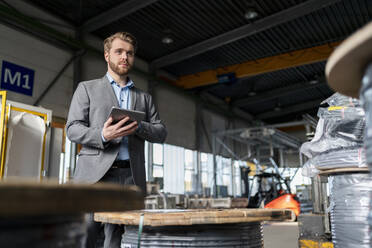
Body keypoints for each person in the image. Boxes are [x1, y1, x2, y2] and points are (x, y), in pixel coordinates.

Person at [66, 32, 167, 248]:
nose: (125, 57)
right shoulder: (87, 89)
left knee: (117, 239)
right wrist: (103, 135)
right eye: (119, 52)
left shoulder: (144, 98)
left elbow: (161, 133)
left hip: (129, 177)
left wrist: (138, 126)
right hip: (93, 176)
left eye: (129, 53)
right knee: (86, 235)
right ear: (106, 56)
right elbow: (72, 129)